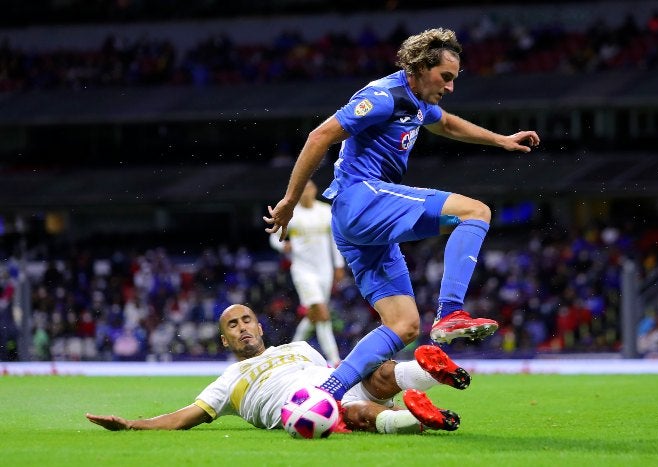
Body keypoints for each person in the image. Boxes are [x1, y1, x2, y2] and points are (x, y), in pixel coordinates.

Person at [264, 27, 540, 401]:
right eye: (446, 77)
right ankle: (450, 312)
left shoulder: (418, 100)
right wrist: (291, 200)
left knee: (403, 325)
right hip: (361, 199)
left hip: (361, 227)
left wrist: (500, 140)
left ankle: (325, 393)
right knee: (475, 211)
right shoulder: (383, 96)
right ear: (421, 67)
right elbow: (320, 136)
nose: (451, 87)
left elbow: (445, 122)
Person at [86, 304, 470, 434]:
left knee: (379, 373)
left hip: (333, 382)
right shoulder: (227, 381)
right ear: (224, 340)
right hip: (309, 408)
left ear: (259, 326)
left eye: (247, 320)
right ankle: (420, 416)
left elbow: (338, 369)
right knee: (353, 414)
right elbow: (183, 417)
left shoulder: (300, 347)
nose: (243, 328)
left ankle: (428, 374)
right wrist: (134, 424)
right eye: (232, 326)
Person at [269, 179, 345, 367]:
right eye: (301, 189)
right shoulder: (290, 213)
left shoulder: (325, 211)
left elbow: (334, 241)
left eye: (308, 188)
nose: (305, 192)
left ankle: (291, 354)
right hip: (303, 270)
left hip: (324, 269)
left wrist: (338, 265)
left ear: (314, 190)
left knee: (314, 316)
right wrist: (282, 245)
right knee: (321, 311)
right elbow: (274, 236)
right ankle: (335, 360)